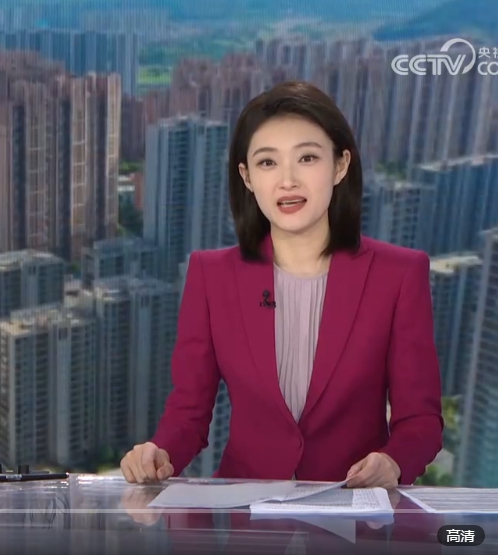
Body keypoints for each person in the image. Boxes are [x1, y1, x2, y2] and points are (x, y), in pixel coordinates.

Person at [120, 81, 443, 489]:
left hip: (350, 508)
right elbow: (189, 412)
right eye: (268, 162)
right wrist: (159, 452)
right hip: (243, 509)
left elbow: (421, 421)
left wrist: (394, 462)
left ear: (340, 165)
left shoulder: (399, 274)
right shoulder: (211, 276)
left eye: (307, 158)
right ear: (247, 177)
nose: (287, 181)